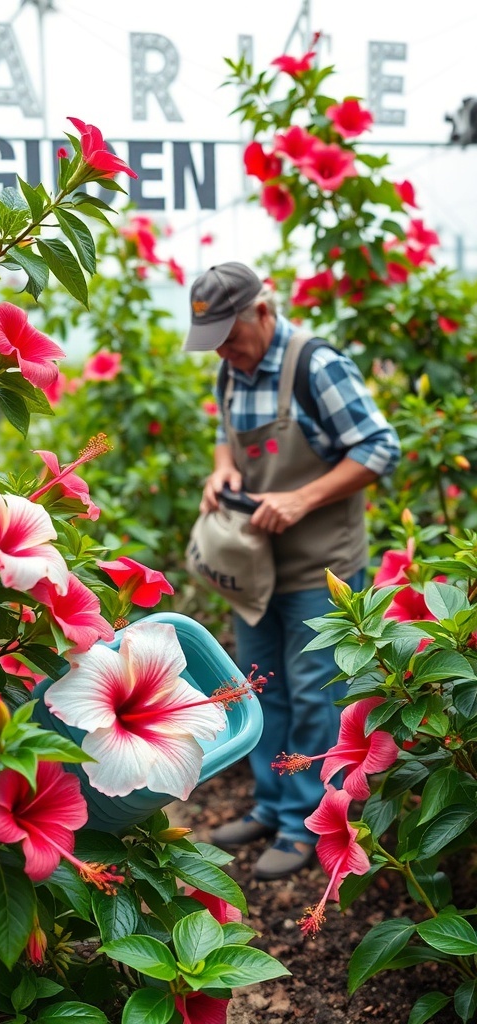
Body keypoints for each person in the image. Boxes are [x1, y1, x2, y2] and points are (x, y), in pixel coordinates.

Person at [183, 261, 400, 880]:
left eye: (230, 333)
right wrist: (220, 468)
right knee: (259, 686)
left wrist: (303, 498)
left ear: (263, 309)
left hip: (318, 566)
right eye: (214, 339)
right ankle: (273, 803)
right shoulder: (233, 366)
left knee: (315, 696)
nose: (224, 349)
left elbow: (379, 447)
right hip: (255, 568)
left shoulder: (316, 364)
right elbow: (227, 432)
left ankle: (304, 824)